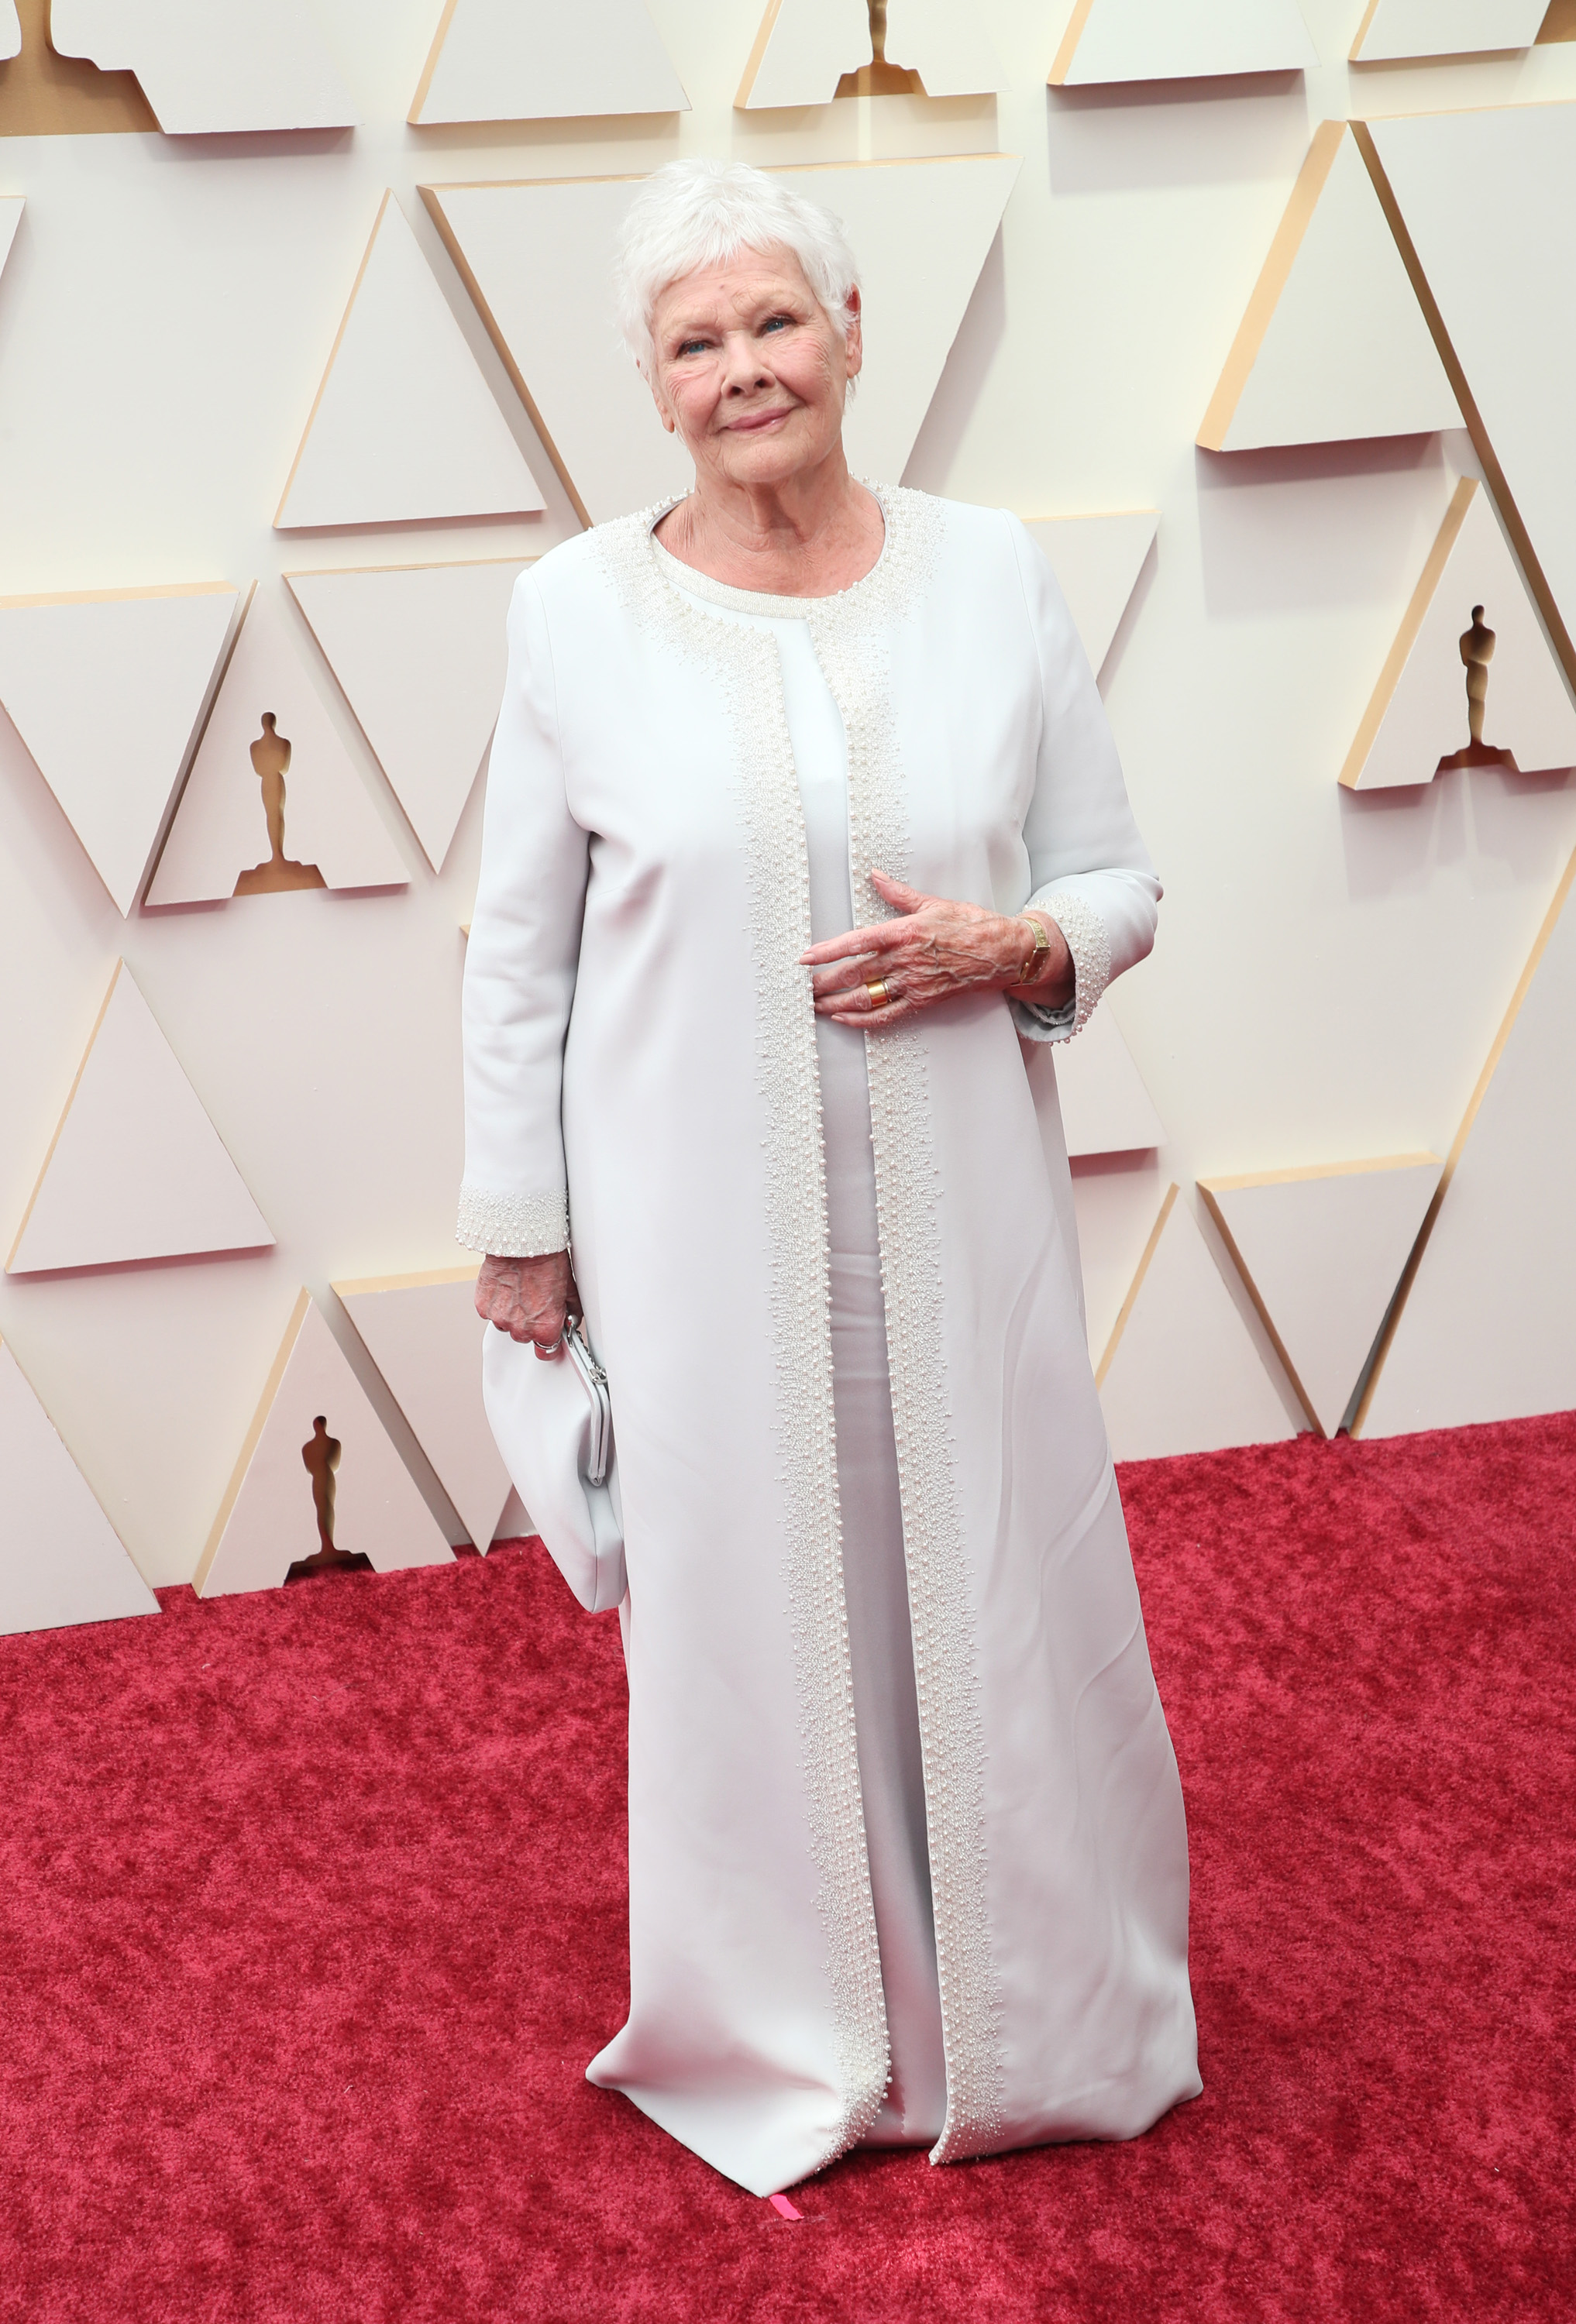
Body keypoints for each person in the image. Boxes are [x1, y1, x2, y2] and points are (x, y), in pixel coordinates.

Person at [460, 159, 1199, 2199]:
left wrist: (1015, 950)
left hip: (961, 1217)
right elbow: (515, 954)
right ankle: (796, 2031)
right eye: (694, 343)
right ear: (653, 386)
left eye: (773, 321)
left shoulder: (988, 573)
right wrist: (520, 1236)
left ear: (853, 331)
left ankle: (1040, 2013)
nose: (742, 368)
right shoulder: (570, 616)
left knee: (992, 1572)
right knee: (747, 1607)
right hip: (693, 1244)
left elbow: (1111, 874)